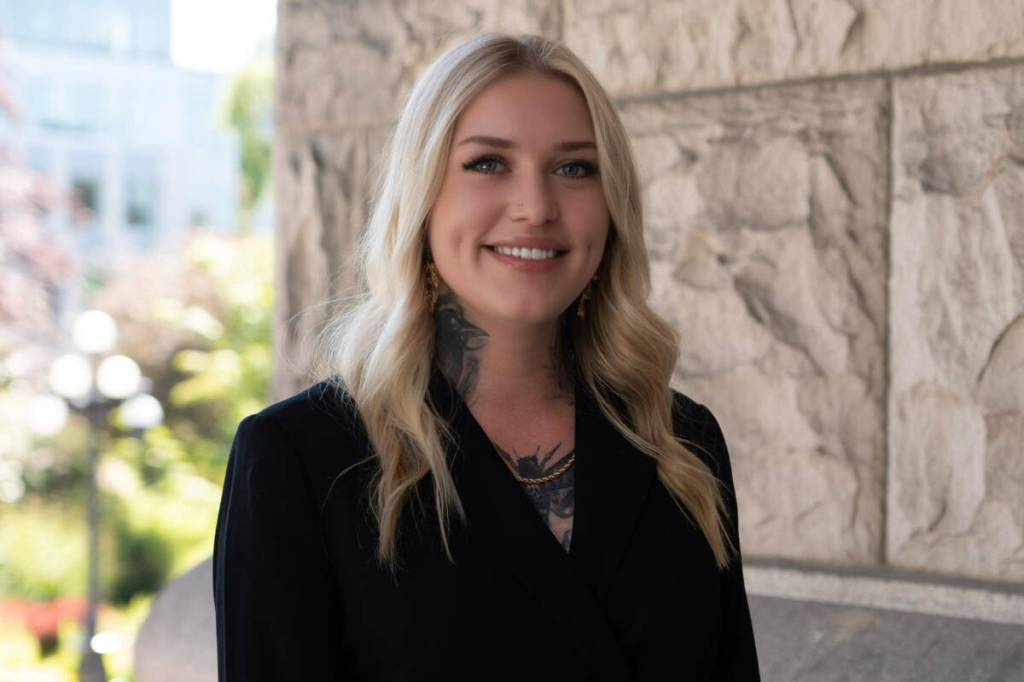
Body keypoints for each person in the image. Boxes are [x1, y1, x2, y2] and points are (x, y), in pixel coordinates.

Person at [213, 32, 760, 681]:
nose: (536, 207)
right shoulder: (300, 460)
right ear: (423, 196)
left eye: (575, 167)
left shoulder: (680, 444)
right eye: (488, 163)